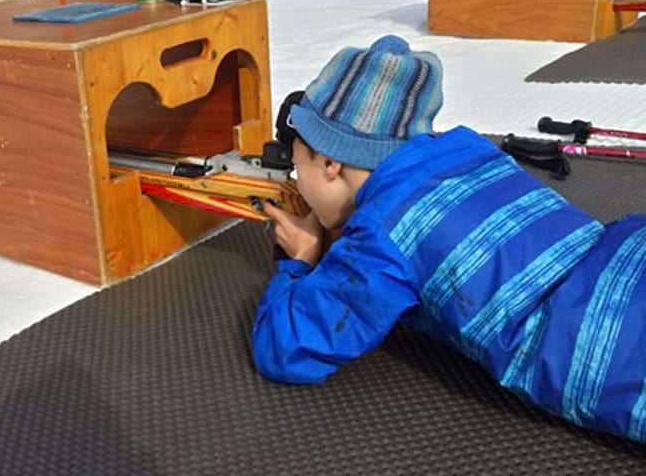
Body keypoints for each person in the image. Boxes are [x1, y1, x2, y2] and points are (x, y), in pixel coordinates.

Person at [252, 35, 646, 443]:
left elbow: (287, 349)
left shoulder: (383, 235)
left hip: (601, 335)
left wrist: (301, 259)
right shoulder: (473, 152)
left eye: (298, 165)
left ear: (332, 162)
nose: (297, 179)